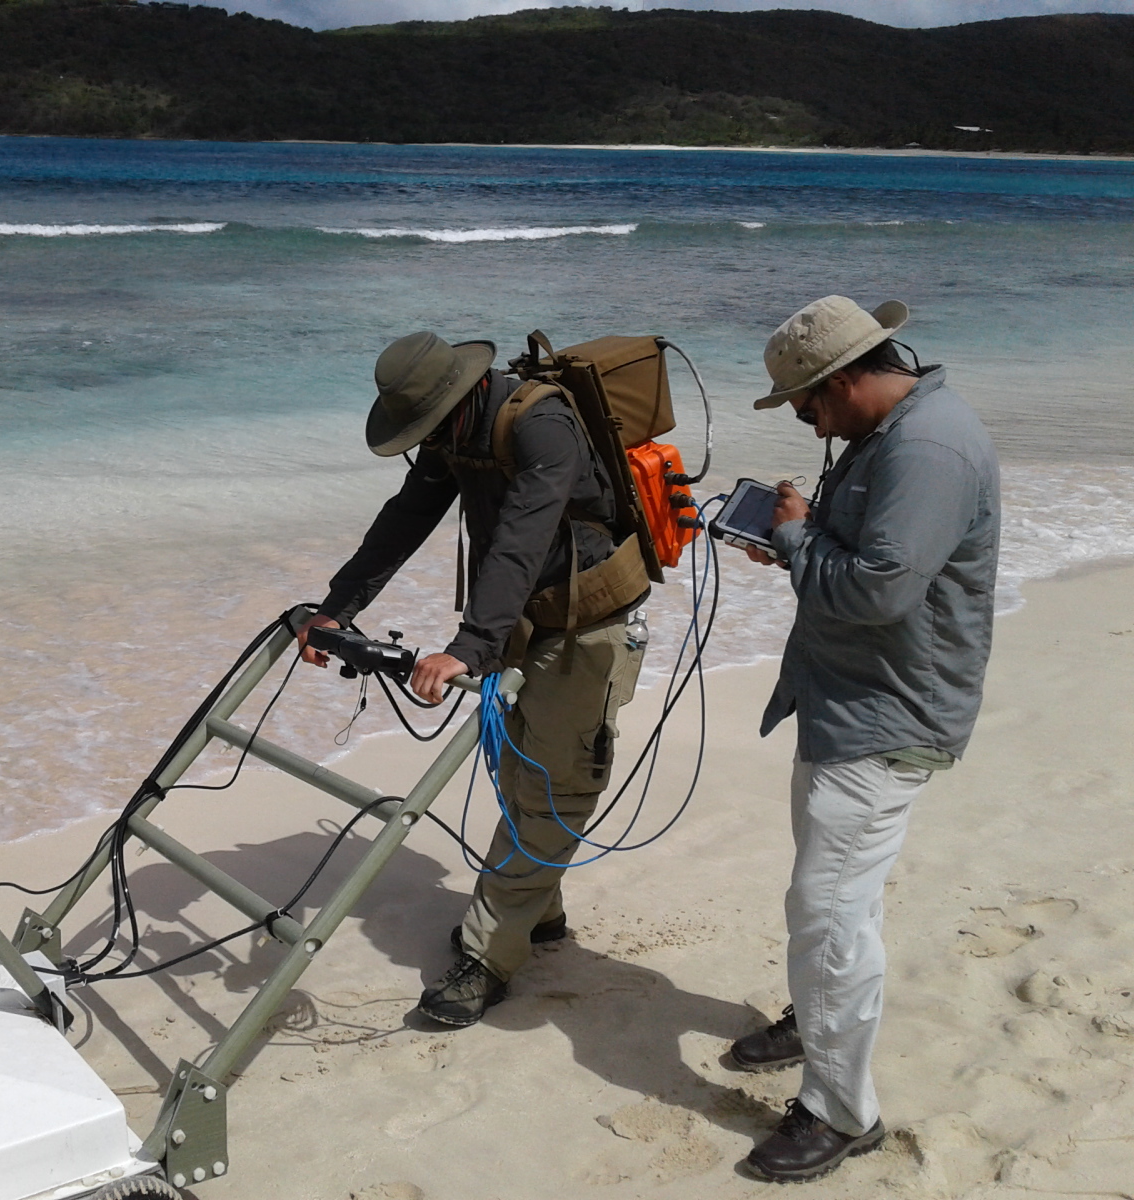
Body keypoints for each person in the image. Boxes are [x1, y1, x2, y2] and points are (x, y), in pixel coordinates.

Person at [298, 331, 649, 1027]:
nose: (426, 440)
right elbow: (403, 521)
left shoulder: (542, 424)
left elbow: (522, 533)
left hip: (587, 623)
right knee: (521, 769)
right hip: (522, 617)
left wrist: (471, 645)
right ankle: (537, 910)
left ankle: (491, 955)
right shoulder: (453, 437)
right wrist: (335, 610)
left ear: (458, 395)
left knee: (555, 785)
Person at [731, 296, 1000, 1183]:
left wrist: (800, 537)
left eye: (806, 407)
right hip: (851, 699)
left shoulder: (924, 448)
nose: (808, 421)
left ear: (841, 381)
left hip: (888, 715)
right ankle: (817, 1020)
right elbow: (873, 565)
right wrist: (803, 532)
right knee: (834, 897)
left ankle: (841, 1112)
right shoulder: (892, 434)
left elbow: (879, 593)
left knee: (829, 913)